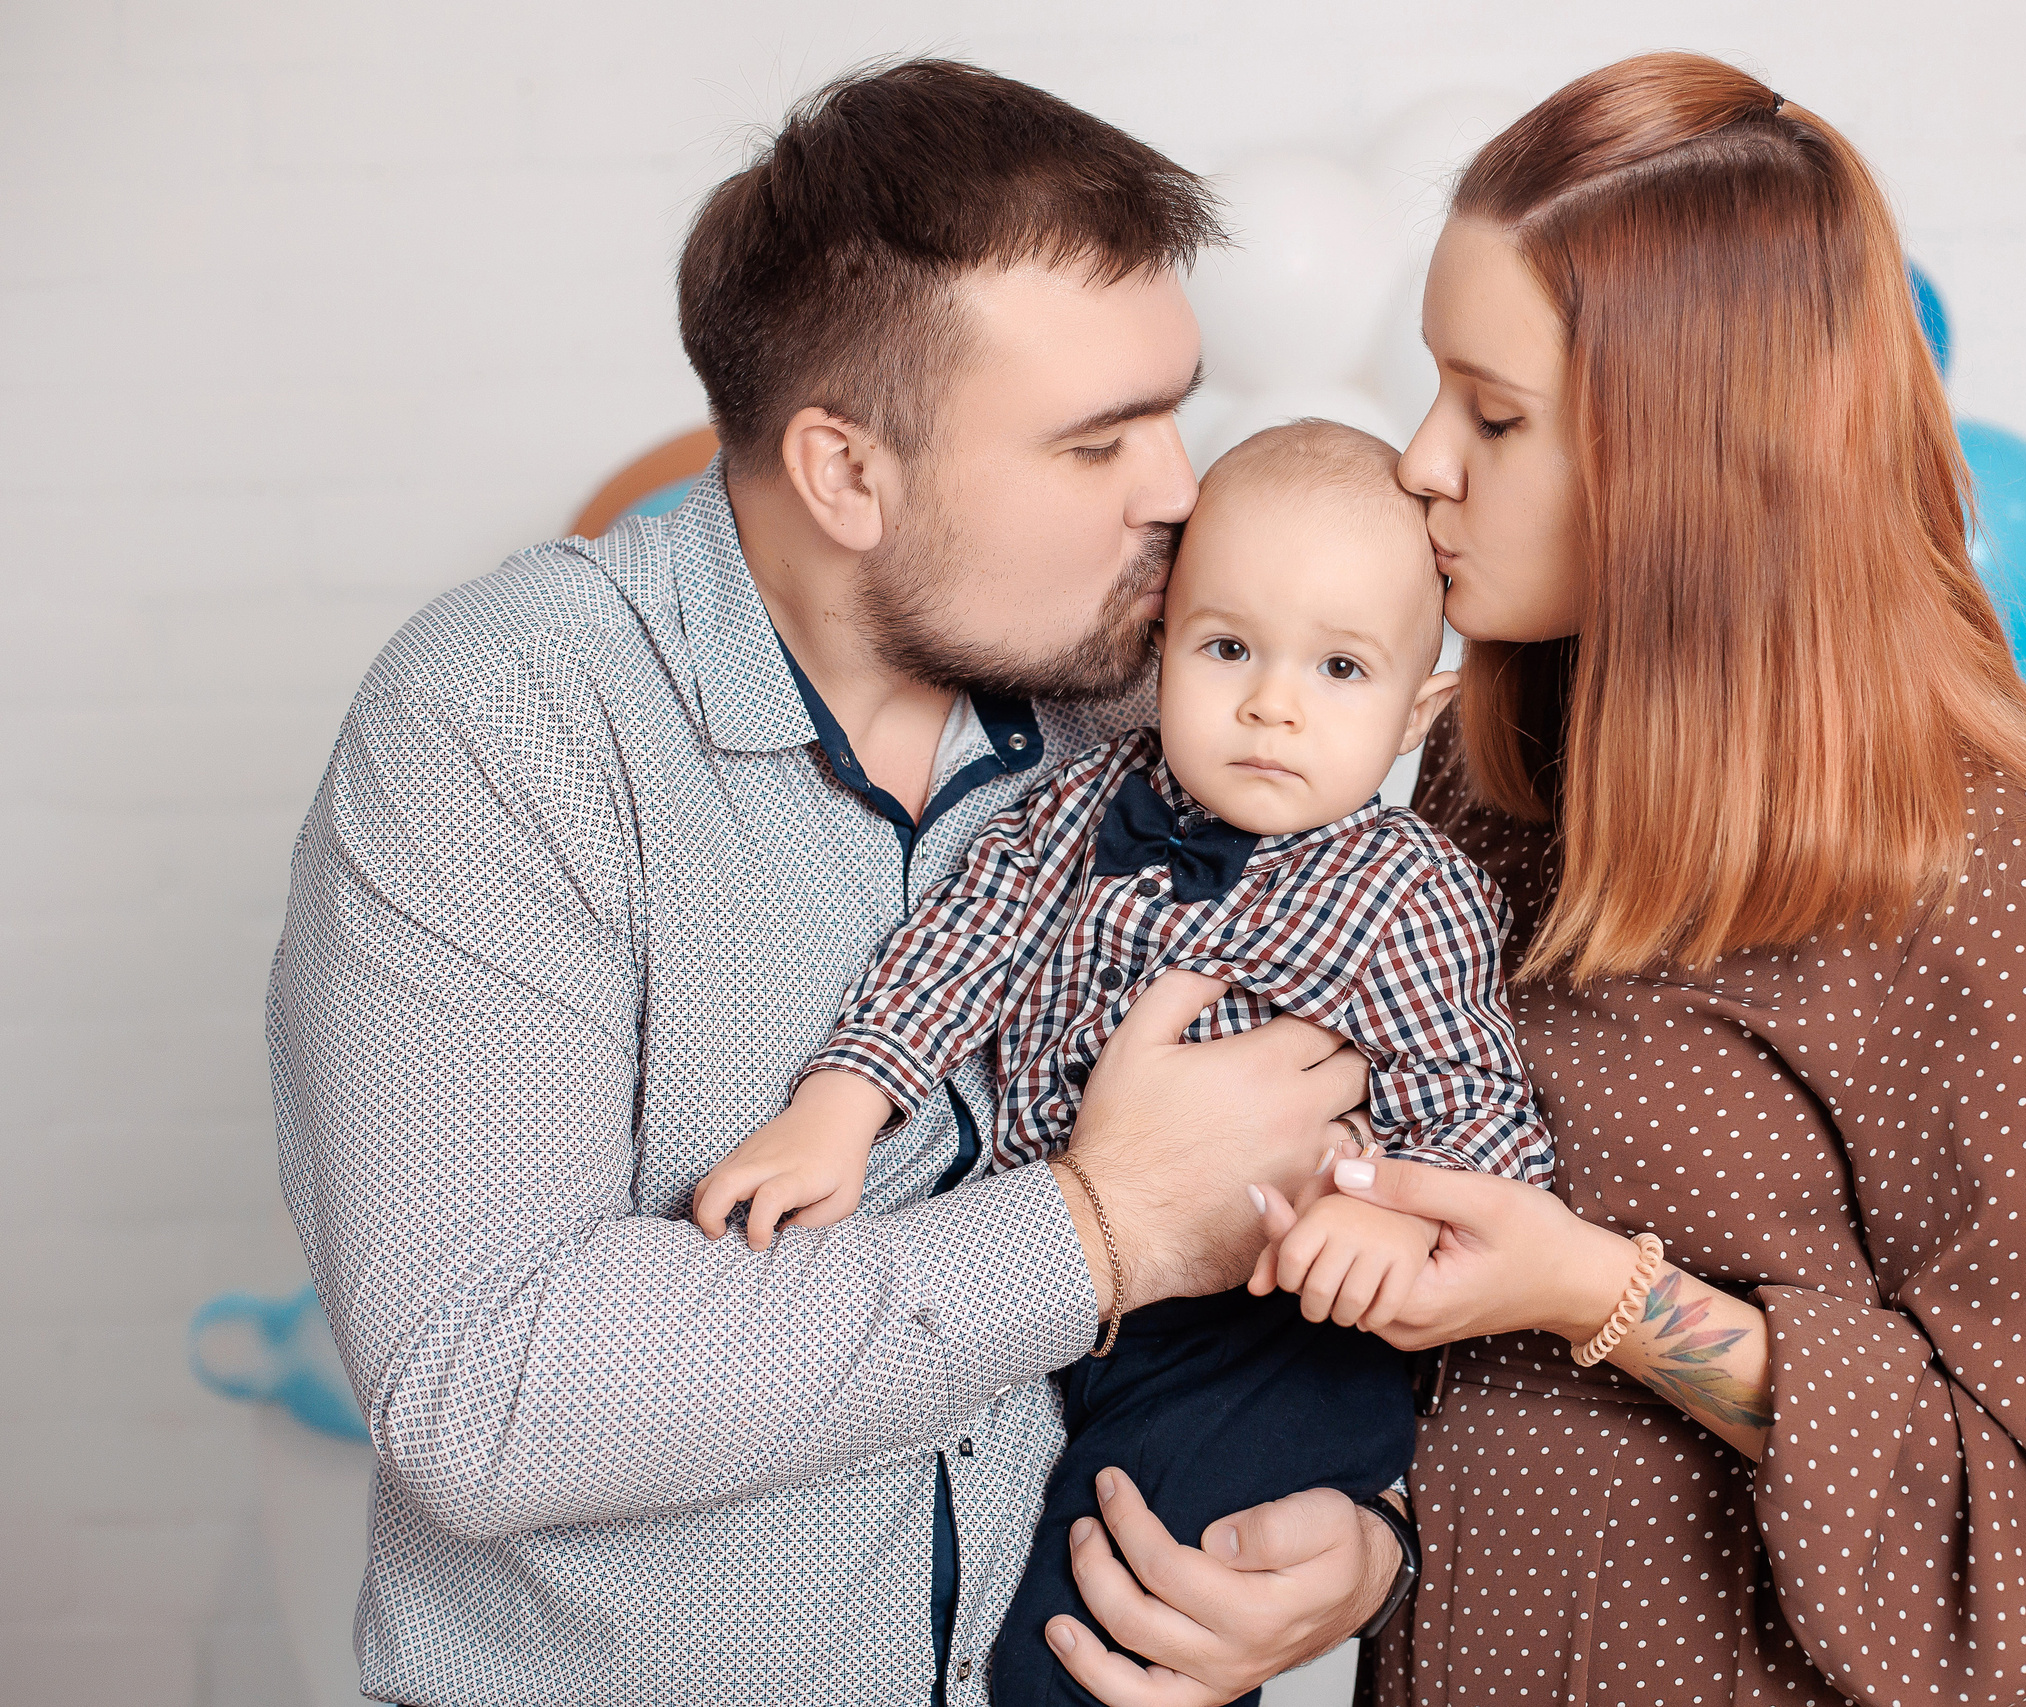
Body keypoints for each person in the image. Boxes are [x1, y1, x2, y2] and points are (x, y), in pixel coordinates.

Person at [269, 61, 1409, 1707]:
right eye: (1099, 442)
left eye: (1173, 409)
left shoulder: (1168, 701)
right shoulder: (498, 724)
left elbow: (1395, 1132)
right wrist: (1101, 1226)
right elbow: (487, 1391)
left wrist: (1371, 1526)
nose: (1176, 488)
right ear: (846, 474)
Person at [1243, 53, 2026, 1707]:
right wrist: (1374, 1537)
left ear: (1688, 460)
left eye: (1497, 414)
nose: (1419, 460)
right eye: (1432, 389)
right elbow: (1483, 1374)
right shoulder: (1494, 753)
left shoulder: (1995, 875)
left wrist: (1603, 1294)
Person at [690, 420, 1554, 1707]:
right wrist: (838, 1108)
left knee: (1092, 1644)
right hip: (1068, 1291)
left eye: (1338, 667)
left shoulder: (1406, 892)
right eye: (1226, 650)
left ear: (1420, 710)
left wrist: (1389, 1223)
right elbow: (961, 942)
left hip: (1264, 1337)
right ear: (1160, 650)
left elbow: (1478, 1113)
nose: (1272, 702)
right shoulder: (1084, 806)